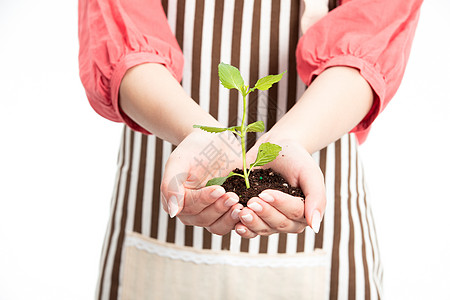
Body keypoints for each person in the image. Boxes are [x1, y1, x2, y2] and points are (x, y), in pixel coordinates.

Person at [78, 0, 422, 299]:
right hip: (169, 158)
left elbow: (375, 27)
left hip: (316, 146)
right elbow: (118, 26)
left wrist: (292, 139)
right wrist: (195, 131)